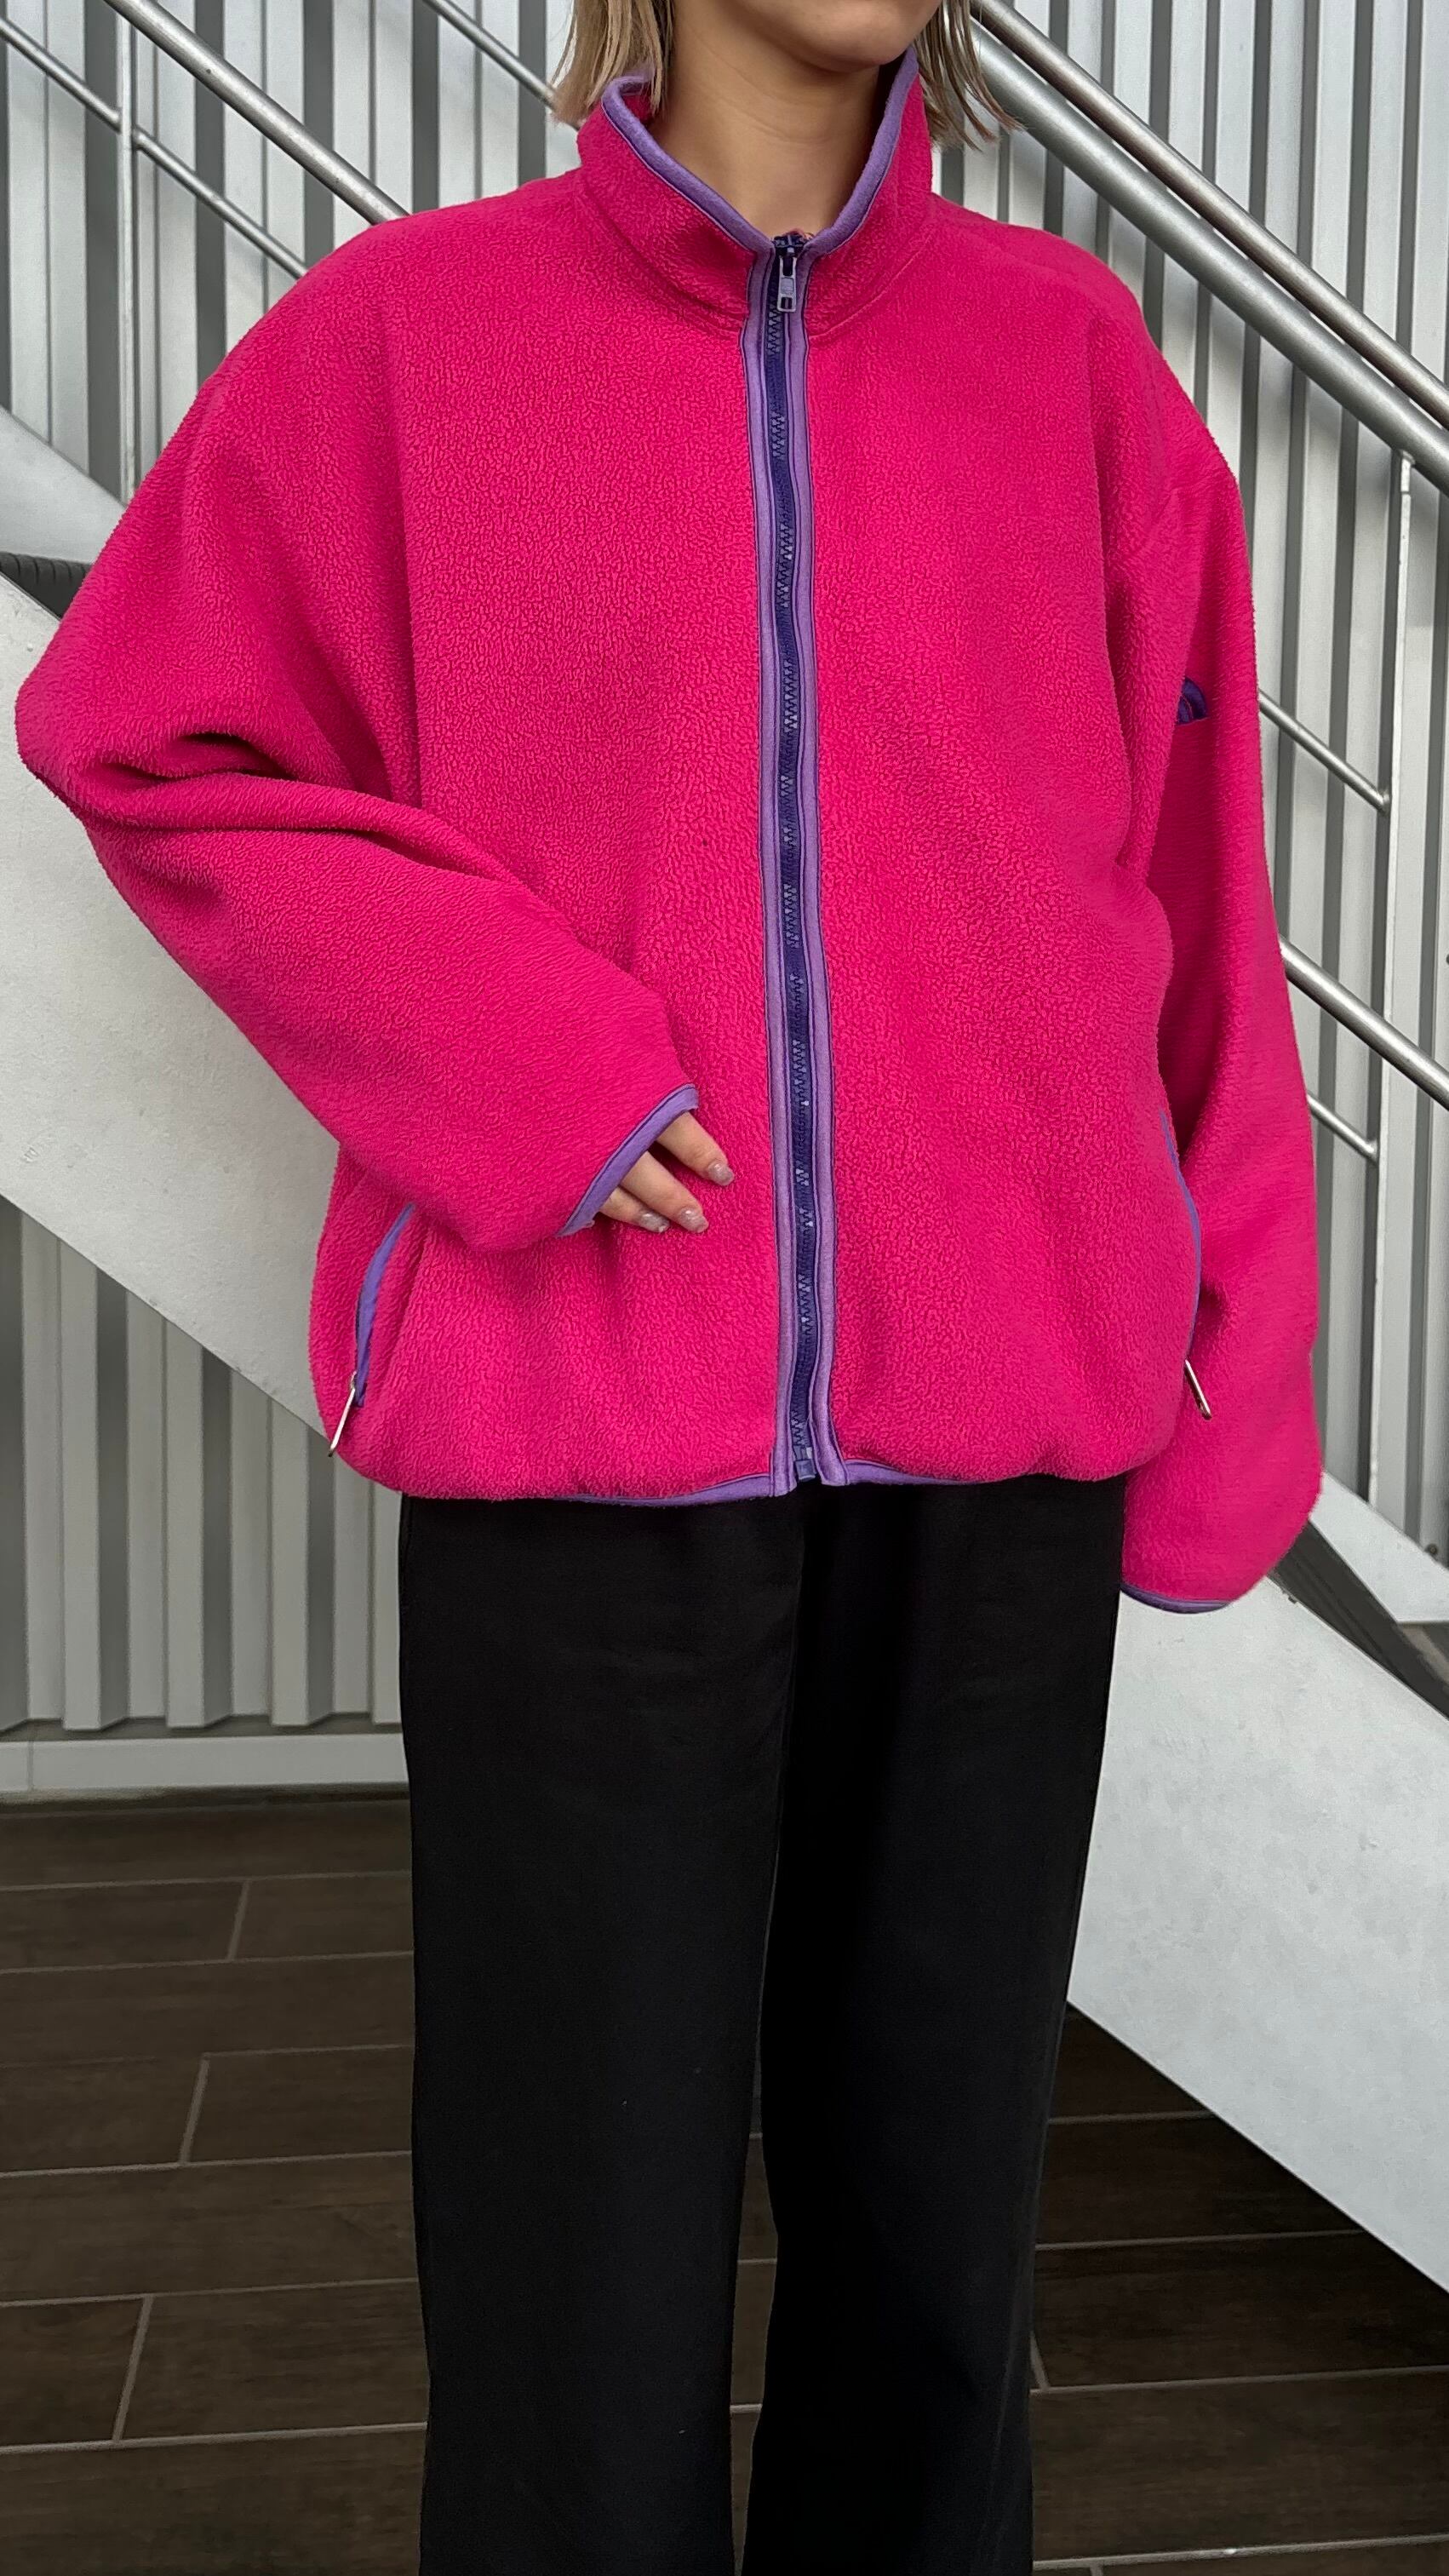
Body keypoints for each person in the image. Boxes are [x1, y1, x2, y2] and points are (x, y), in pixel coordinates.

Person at [14, 0, 1322, 2565]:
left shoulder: (1073, 368)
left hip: (999, 1475)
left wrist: (1227, 1370)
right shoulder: (411, 344)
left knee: (934, 2279)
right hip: (583, 1464)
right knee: (575, 2298)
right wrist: (532, 1062)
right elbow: (143, 726)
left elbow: (1192, 891)